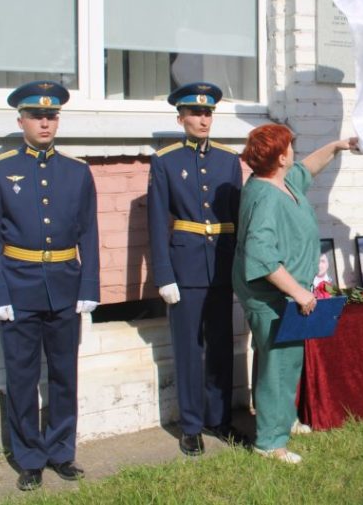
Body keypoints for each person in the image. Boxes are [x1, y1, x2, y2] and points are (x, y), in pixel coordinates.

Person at [0, 81, 99, 491]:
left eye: (51, 116)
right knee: (23, 377)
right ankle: (29, 457)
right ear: (21, 120)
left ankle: (61, 451)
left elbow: (89, 233)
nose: (45, 123)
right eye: (36, 117)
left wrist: (88, 287)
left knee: (65, 375)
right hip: (19, 289)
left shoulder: (77, 171)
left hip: (64, 285)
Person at [233, 124, 357, 463]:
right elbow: (262, 257)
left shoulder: (282, 181)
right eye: (291, 146)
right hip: (272, 295)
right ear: (281, 155)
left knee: (287, 360)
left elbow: (307, 169)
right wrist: (300, 294)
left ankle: (283, 420)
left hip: (286, 295)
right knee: (277, 364)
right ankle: (270, 443)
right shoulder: (264, 196)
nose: (295, 152)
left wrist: (337, 146)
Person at [147, 82, 244, 456]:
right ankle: (190, 425)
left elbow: (235, 218)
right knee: (188, 348)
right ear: (181, 118)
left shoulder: (228, 159)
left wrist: (239, 266)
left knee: (221, 344)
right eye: (195, 113)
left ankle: (219, 419)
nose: (203, 120)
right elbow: (157, 222)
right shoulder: (165, 160)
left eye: (207, 113)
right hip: (184, 266)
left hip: (221, 263)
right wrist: (164, 275)